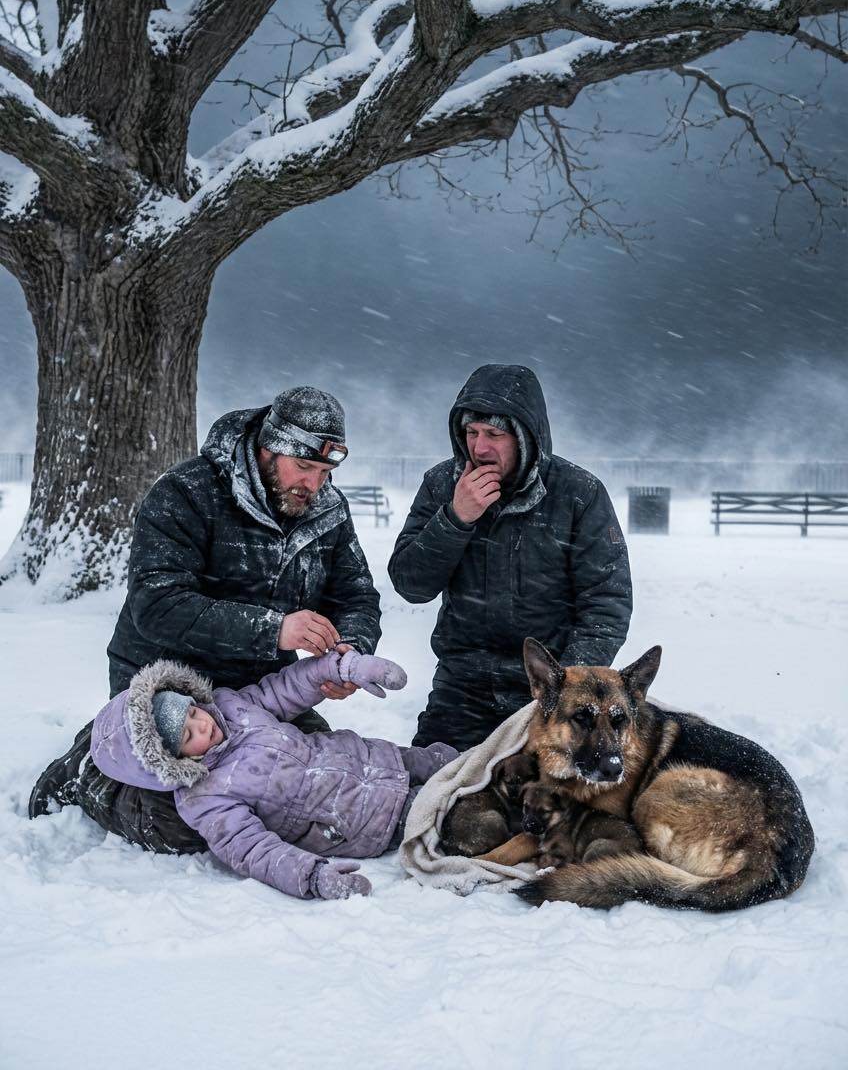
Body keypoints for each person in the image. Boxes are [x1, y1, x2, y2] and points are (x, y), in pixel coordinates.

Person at [29, 385, 382, 853]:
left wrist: (349, 651)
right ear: (267, 448)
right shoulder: (185, 493)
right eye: (304, 467)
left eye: (324, 472)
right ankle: (91, 769)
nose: (314, 485)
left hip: (259, 695)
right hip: (168, 694)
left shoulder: (327, 510)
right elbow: (158, 605)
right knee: (187, 824)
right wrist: (274, 629)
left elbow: (356, 594)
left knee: (317, 781)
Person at [388, 363, 632, 751]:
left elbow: (606, 606)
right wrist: (455, 518)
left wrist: (562, 685)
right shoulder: (441, 485)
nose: (479, 448)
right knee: (432, 792)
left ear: (525, 438)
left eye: (494, 435)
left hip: (546, 690)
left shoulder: (578, 494)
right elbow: (410, 585)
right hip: (461, 687)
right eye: (471, 433)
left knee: (545, 803)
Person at [90, 650, 456, 900]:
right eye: (188, 736)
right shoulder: (204, 799)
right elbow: (254, 851)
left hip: (374, 757)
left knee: (457, 763)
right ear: (169, 760)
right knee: (451, 807)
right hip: (361, 819)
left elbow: (287, 688)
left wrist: (342, 668)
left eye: (192, 714)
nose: (202, 725)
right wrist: (312, 877)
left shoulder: (230, 707)